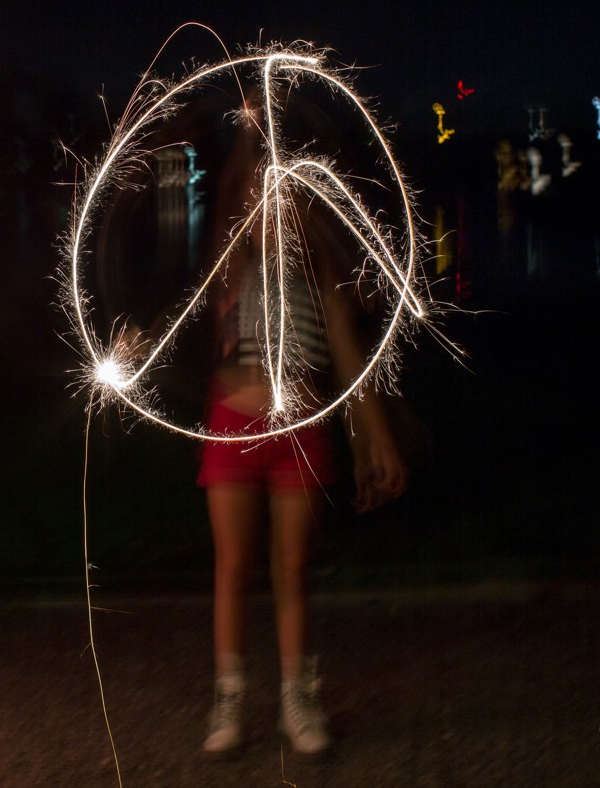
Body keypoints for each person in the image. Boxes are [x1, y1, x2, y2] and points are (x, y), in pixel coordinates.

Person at [198, 122, 407, 757]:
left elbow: (352, 366)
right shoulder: (231, 262)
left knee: (292, 569)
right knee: (233, 567)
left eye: (286, 200)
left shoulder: (322, 283)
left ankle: (298, 695)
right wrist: (249, 137)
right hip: (234, 423)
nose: (272, 210)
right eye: (262, 200)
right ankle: (229, 695)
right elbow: (235, 187)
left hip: (302, 431)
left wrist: (378, 441)